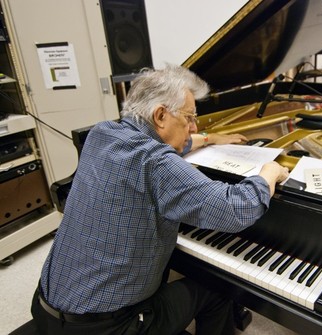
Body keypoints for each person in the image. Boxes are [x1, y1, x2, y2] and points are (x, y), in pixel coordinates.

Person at [31, 63, 290, 335]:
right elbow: (236, 208)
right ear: (161, 115)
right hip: (109, 328)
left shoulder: (102, 133)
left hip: (45, 306)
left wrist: (209, 138)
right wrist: (268, 174)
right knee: (216, 289)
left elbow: (168, 140)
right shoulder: (156, 162)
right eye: (190, 117)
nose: (193, 126)